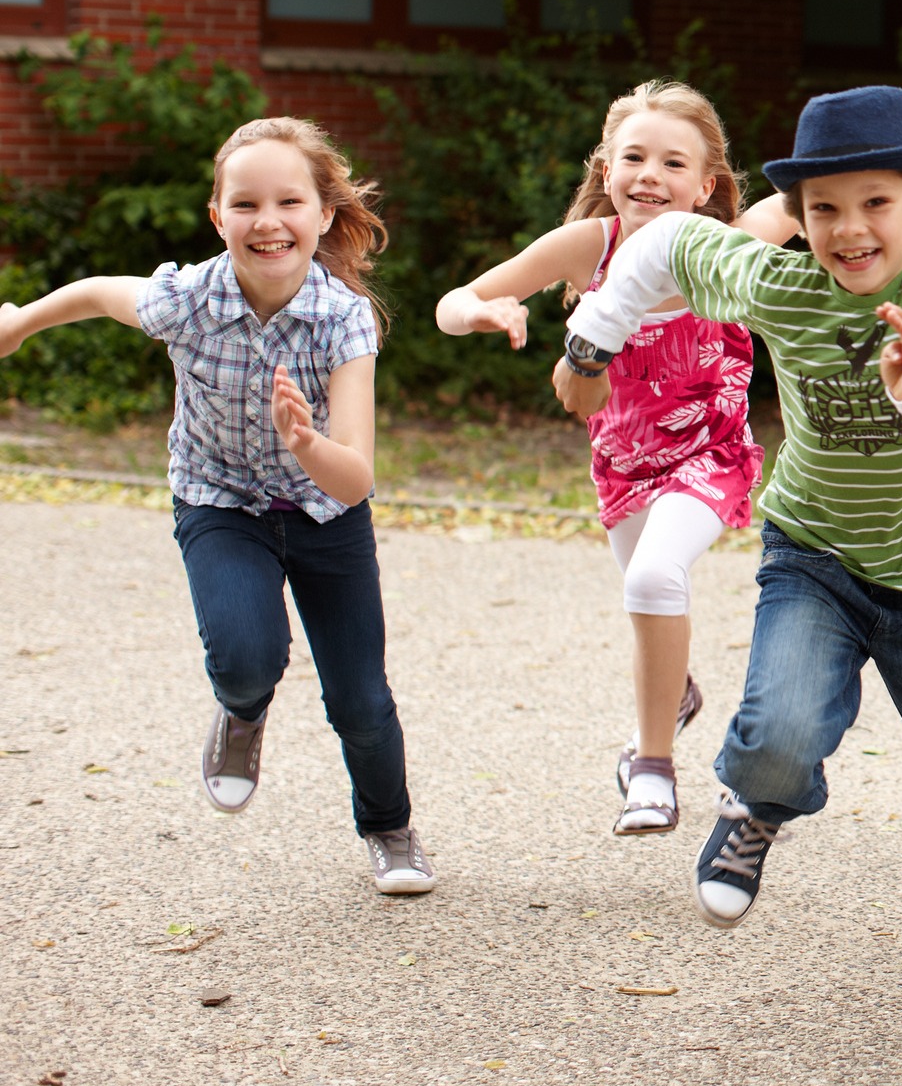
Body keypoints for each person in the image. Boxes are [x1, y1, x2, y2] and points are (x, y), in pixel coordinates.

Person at [561, 85, 902, 990]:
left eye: (875, 205)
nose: (850, 229)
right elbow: (664, 242)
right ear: (799, 216)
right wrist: (593, 337)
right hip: (813, 555)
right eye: (824, 208)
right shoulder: (780, 282)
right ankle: (755, 807)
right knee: (781, 728)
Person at [0, 117, 437, 895]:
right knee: (246, 657)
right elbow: (102, 292)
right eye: (245, 204)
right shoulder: (188, 299)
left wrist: (305, 441)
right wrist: (21, 322)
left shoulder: (344, 320)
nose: (267, 221)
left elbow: (356, 478)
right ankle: (241, 714)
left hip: (324, 513)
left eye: (289, 202)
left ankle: (389, 828)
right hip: (220, 501)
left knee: (361, 700)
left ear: (324, 214)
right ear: (217, 217)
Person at [436, 80, 762, 837]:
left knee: (654, 577)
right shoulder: (591, 246)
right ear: (606, 169)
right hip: (624, 466)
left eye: (672, 162)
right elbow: (454, 302)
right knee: (651, 605)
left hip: (709, 454)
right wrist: (484, 309)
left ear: (705, 185)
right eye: (634, 157)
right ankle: (674, 695)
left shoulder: (723, 249)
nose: (650, 173)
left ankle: (650, 769)